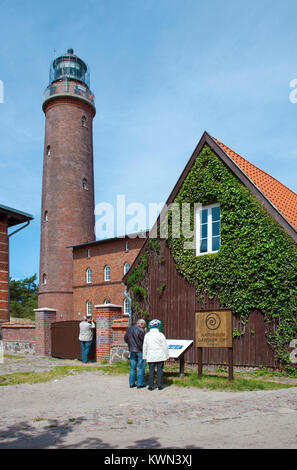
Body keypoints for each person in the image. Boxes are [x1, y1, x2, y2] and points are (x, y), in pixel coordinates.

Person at [143, 319, 169, 390]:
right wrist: (167, 355)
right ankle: (160, 385)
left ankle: (151, 386)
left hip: (151, 355)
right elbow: (164, 346)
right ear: (158, 326)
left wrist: (144, 356)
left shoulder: (147, 335)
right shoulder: (161, 335)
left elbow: (145, 346)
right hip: (160, 355)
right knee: (160, 370)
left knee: (151, 371)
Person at [124, 319, 147, 389]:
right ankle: (140, 383)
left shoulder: (129, 329)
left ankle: (131, 383)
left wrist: (130, 345)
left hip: (132, 350)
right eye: (144, 325)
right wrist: (145, 332)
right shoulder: (141, 330)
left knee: (133, 368)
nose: (144, 327)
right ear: (141, 324)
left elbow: (125, 339)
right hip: (140, 351)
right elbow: (144, 341)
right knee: (141, 367)